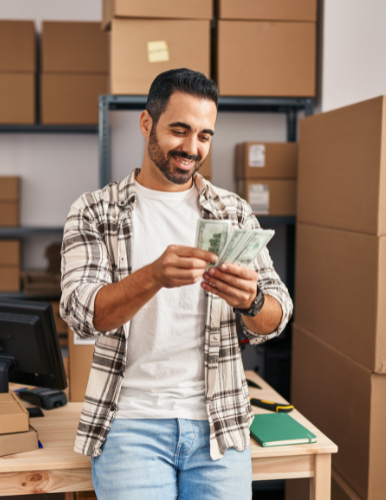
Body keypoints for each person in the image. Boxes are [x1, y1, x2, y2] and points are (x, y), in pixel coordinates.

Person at [60, 68, 293, 500]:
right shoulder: (95, 211)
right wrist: (152, 276)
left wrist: (252, 301)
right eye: (180, 130)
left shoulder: (231, 210)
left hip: (218, 424)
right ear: (147, 123)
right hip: (130, 425)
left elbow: (278, 316)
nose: (192, 148)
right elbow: (82, 314)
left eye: (204, 135)